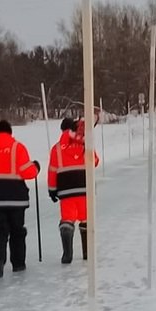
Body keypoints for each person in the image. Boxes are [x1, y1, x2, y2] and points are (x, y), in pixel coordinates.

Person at [0, 119, 39, 277]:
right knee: (17, 230)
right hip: (16, 198)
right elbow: (27, 172)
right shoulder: (17, 147)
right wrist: (36, 167)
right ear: (10, 132)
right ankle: (18, 264)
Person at [48, 113, 100, 264]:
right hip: (85, 188)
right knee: (86, 219)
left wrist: (52, 189)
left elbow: (52, 170)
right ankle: (86, 252)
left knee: (67, 220)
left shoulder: (56, 149)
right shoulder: (85, 144)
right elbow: (95, 162)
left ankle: (67, 254)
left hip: (66, 191)